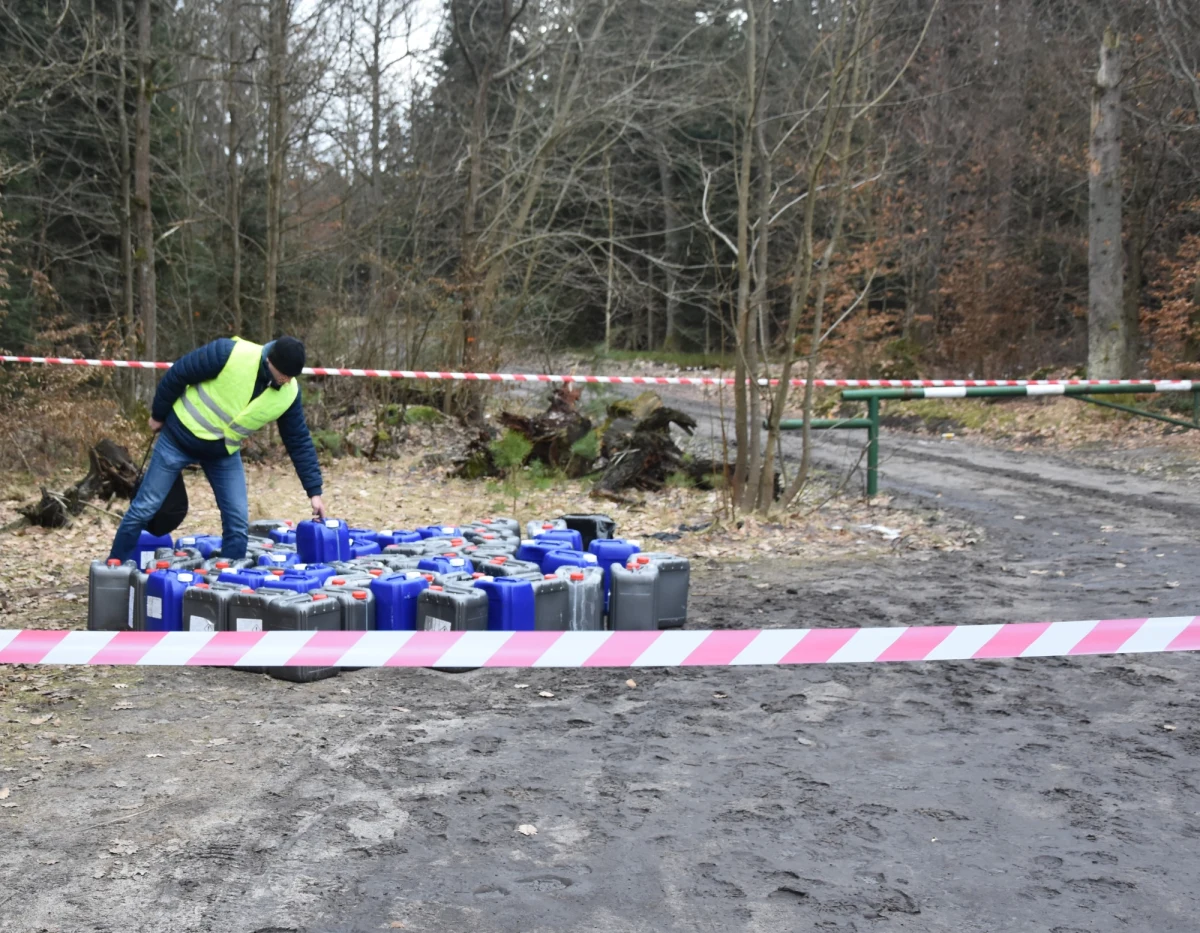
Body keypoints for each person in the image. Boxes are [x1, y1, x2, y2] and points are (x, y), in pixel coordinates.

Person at [108, 335, 327, 562]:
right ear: (270, 360)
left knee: (237, 523)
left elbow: (298, 440)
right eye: (284, 375)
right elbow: (180, 372)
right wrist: (158, 414)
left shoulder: (289, 393)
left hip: (222, 453)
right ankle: (114, 567)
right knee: (144, 508)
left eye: (292, 377)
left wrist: (314, 491)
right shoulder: (230, 353)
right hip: (178, 438)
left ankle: (229, 577)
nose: (287, 381)